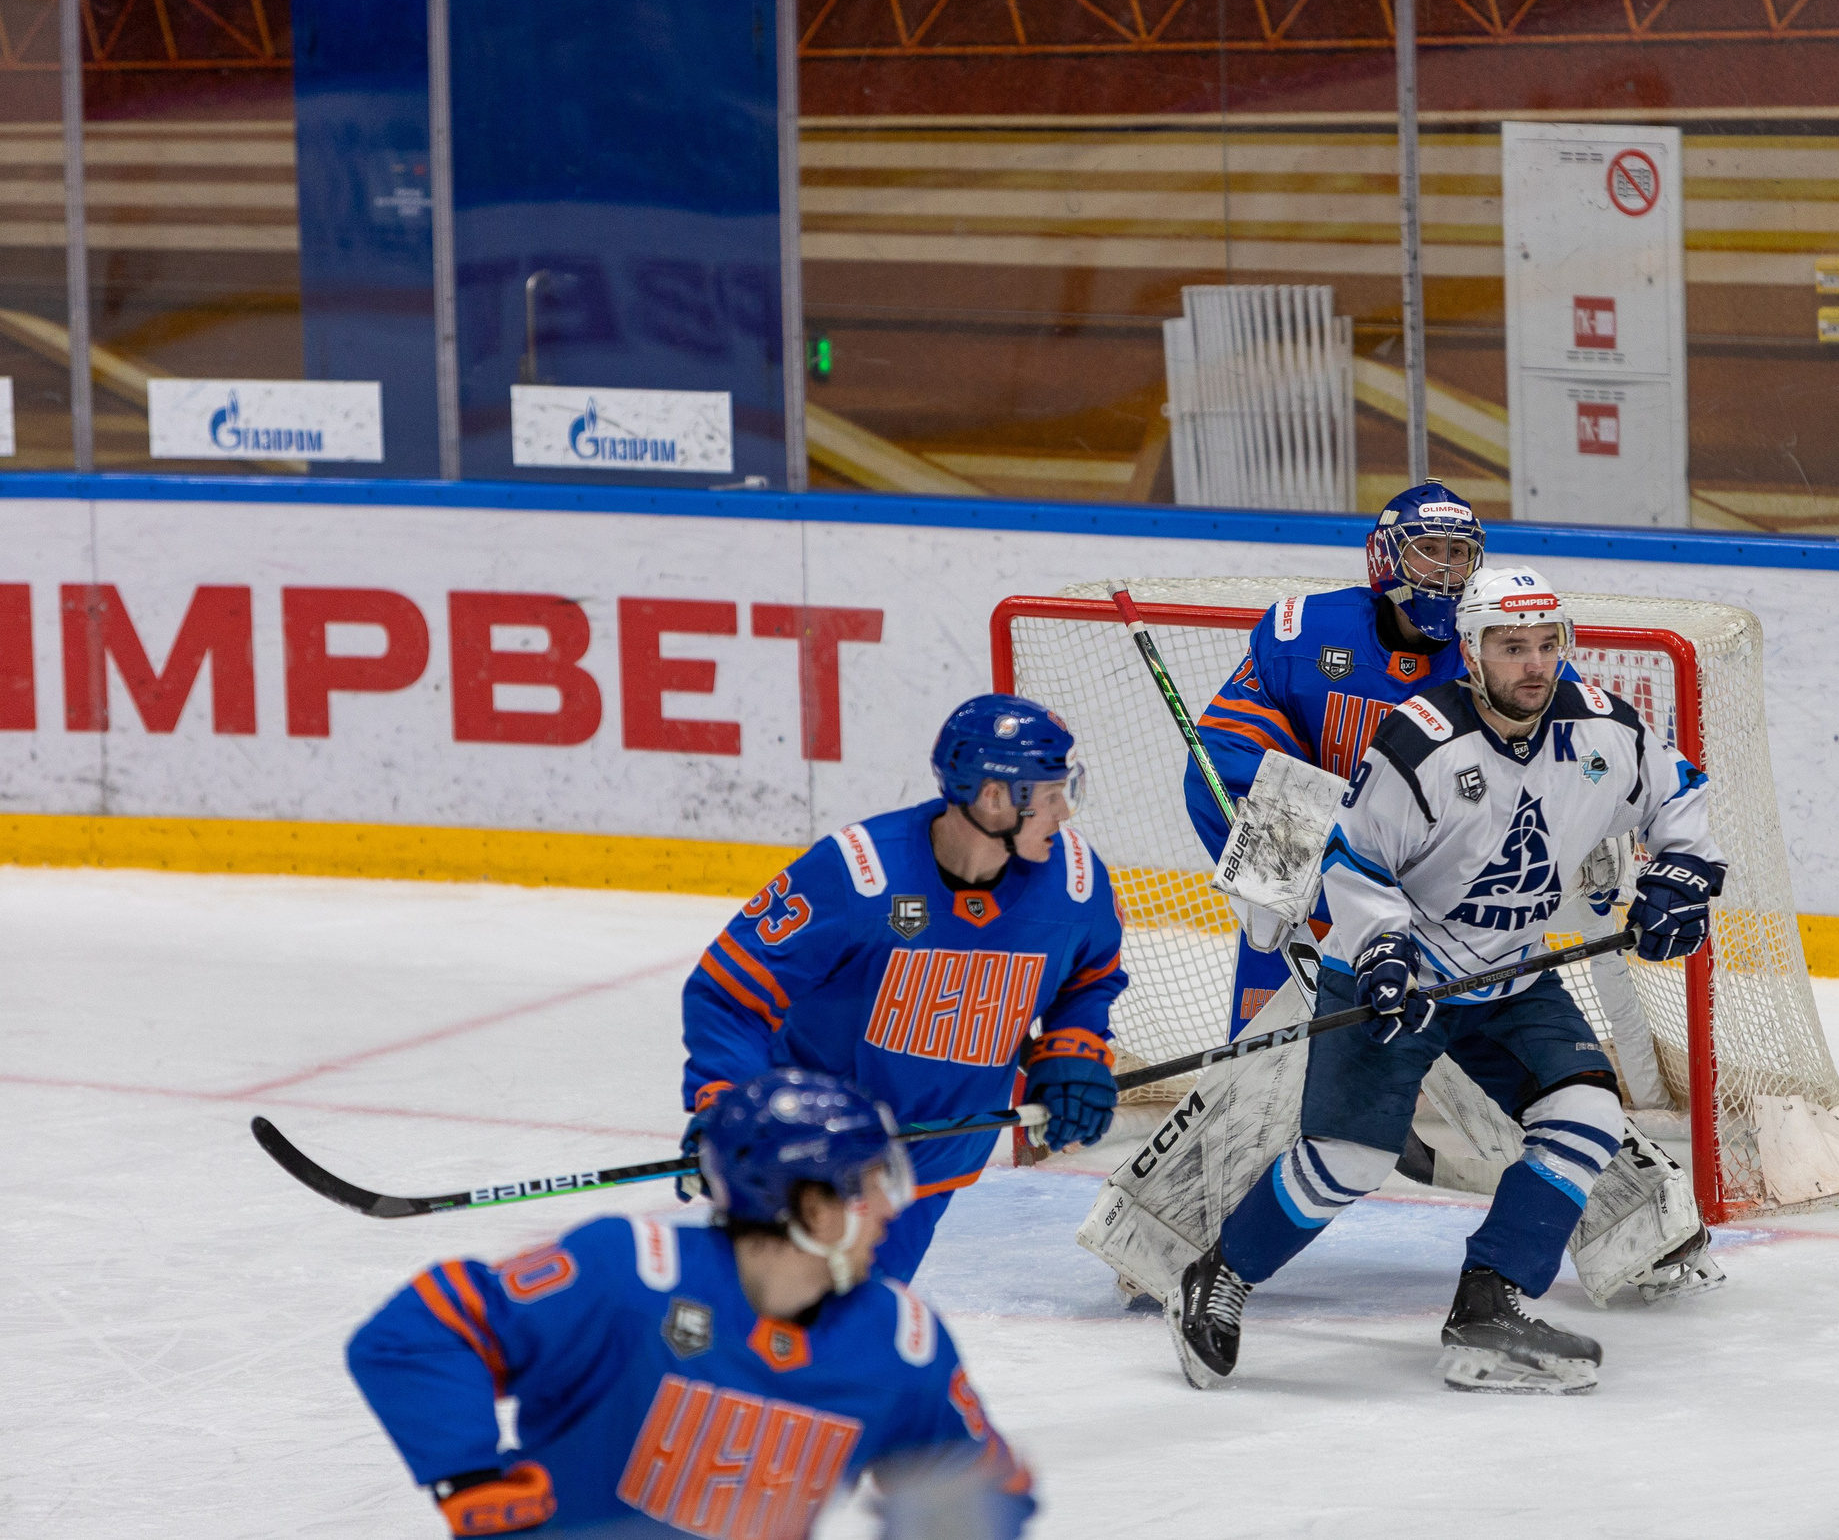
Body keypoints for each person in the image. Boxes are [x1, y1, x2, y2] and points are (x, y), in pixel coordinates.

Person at [1168, 564, 1728, 1395]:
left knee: (1586, 1114)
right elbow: (1354, 862)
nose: (1534, 664)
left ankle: (1489, 1300)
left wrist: (1682, 873)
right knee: (1346, 1163)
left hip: (1510, 972)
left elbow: (1678, 793)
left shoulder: (1605, 728)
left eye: (1548, 644)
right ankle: (1219, 1276)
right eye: (1512, 646)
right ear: (1471, 653)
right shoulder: (1419, 741)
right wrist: (1383, 950)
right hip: (1395, 972)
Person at [346, 1068, 1035, 1539]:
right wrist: (466, 1479)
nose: (890, 1205)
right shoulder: (626, 1276)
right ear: (808, 1205)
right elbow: (423, 1332)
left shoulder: (898, 1341)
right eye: (867, 1184)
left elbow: (983, 1484)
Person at [682, 693, 1127, 1283]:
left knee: (845, 1342)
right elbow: (728, 991)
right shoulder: (859, 874)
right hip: (812, 1163)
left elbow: (1090, 974)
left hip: (931, 1166)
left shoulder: (1075, 882)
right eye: (1050, 797)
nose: (1065, 814)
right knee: (766, 1342)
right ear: (994, 798)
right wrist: (729, 1101)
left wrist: (1073, 1045)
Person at [1182, 481, 1485, 1034]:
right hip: (1310, 880)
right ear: (1386, 556)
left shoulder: (1495, 644)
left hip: (1438, 888)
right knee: (1262, 1071)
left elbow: (1586, 744)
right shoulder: (1303, 632)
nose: (1445, 571)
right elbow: (1221, 755)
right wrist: (1275, 867)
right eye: (1429, 550)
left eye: (1458, 553)